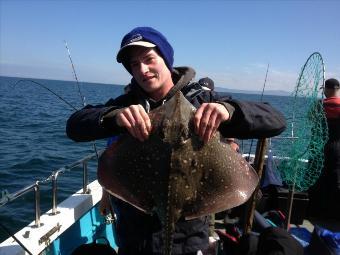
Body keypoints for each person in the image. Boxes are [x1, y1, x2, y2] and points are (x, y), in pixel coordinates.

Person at [66, 26, 287, 255]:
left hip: (188, 241)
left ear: (165, 58)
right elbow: (74, 126)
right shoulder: (126, 104)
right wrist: (113, 117)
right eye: (134, 64)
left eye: (149, 59)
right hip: (135, 241)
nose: (143, 69)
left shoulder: (202, 100)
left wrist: (229, 111)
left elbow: (276, 120)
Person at [308, 78, 340, 220]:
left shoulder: (319, 105)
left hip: (318, 148)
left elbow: (310, 118)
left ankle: (314, 213)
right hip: (337, 148)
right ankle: (333, 214)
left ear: (326, 89)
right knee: (335, 179)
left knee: (315, 179)